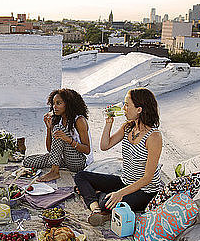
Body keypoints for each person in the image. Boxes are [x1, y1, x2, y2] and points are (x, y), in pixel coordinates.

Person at [74, 88, 163, 226]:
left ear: (139, 109)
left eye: (127, 105)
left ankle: (98, 203)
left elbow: (147, 178)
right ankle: (96, 209)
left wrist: (120, 193)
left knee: (107, 202)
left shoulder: (154, 137)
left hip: (145, 191)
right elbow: (105, 146)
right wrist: (108, 124)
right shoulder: (127, 128)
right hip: (125, 180)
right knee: (81, 176)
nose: (124, 108)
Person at [23, 88, 93, 182]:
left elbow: (87, 150)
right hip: (65, 160)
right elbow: (50, 150)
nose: (54, 107)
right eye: (53, 103)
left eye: (58, 103)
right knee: (28, 161)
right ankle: (55, 167)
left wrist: (68, 139)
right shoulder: (58, 120)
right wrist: (49, 129)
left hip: (80, 162)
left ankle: (54, 172)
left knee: (58, 130)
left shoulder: (79, 120)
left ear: (68, 104)